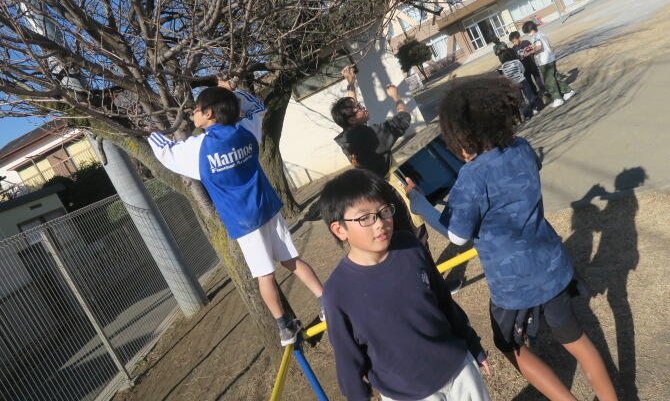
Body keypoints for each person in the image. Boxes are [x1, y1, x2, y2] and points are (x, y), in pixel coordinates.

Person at [407, 79, 618, 401]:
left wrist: (421, 205)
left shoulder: (471, 177)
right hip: (552, 266)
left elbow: (458, 236)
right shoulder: (521, 147)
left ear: (460, 136)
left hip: (513, 283)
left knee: (508, 344)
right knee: (574, 337)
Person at [148, 79, 324, 347]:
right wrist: (232, 92)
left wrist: (150, 132)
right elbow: (258, 108)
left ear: (209, 113)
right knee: (291, 260)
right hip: (267, 208)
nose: (192, 113)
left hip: (243, 223)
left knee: (265, 275)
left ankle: (284, 327)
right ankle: (326, 301)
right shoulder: (246, 130)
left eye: (196, 109)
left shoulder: (197, 150)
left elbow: (164, 151)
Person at [318, 169, 492, 401]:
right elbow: (348, 360)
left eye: (383, 211)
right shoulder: (337, 292)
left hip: (459, 368)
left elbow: (443, 300)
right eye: (365, 218)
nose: (379, 223)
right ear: (340, 229)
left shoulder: (410, 246)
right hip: (407, 394)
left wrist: (472, 344)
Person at [331, 66, 427, 245]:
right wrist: (396, 97)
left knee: (396, 236)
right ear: (352, 119)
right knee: (415, 234)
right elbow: (403, 119)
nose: (363, 107)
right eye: (359, 108)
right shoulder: (369, 136)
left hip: (377, 195)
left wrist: (350, 83)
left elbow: (350, 110)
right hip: (394, 191)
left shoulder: (348, 137)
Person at [522, 21, 575, 108]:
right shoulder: (542, 34)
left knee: (549, 81)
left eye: (527, 32)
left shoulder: (535, 36)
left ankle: (557, 99)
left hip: (545, 61)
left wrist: (528, 53)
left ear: (530, 30)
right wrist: (532, 47)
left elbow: (539, 47)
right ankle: (568, 91)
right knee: (556, 77)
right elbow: (542, 45)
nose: (528, 34)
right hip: (551, 58)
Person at [508, 30, 546, 103]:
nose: (514, 43)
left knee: (538, 79)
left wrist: (528, 51)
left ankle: (543, 91)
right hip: (524, 69)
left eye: (515, 41)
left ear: (518, 38)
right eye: (513, 42)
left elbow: (533, 50)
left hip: (532, 65)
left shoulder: (526, 43)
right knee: (529, 82)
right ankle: (535, 93)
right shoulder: (514, 48)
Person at [499, 48, 536, 119]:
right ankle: (535, 108)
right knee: (529, 94)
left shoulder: (503, 66)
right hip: (522, 80)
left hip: (513, 84)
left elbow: (506, 76)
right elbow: (523, 70)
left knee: (520, 99)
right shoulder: (516, 61)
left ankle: (526, 115)